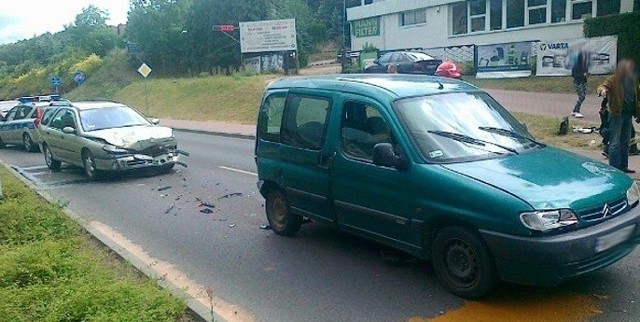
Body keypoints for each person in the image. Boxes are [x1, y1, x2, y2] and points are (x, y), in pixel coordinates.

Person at [597, 59, 640, 173]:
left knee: (625, 142)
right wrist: (602, 91)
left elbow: (638, 97)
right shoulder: (613, 79)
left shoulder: (633, 81)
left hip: (628, 114)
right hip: (617, 114)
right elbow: (602, 87)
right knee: (615, 142)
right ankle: (614, 169)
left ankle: (623, 166)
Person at [571, 49, 589, 118]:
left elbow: (585, 72)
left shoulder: (585, 65)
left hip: (584, 82)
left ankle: (574, 110)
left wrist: (587, 74)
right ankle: (577, 111)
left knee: (583, 96)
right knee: (581, 96)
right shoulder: (575, 65)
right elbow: (573, 75)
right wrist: (582, 75)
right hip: (578, 82)